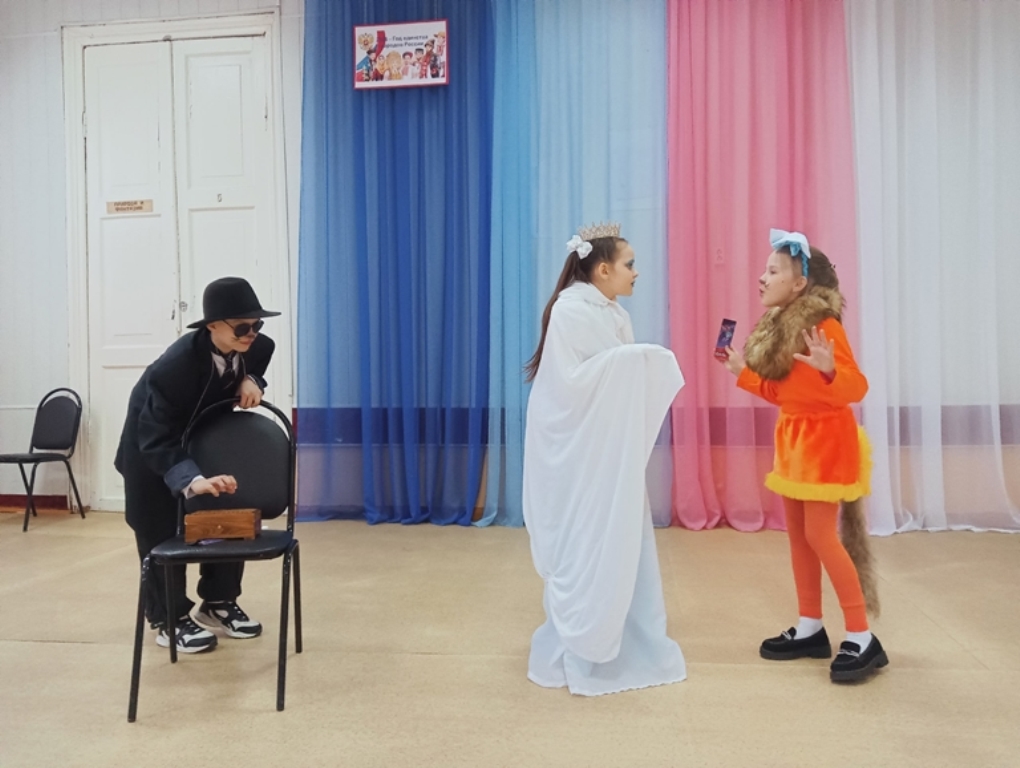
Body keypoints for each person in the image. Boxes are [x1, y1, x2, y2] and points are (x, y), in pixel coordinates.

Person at [522, 223, 687, 696]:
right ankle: (584, 641)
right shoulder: (572, 310)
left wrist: (632, 360)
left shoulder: (611, 312)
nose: (636, 272)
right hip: (579, 454)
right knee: (587, 538)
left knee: (620, 538)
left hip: (606, 453)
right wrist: (633, 359)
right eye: (629, 264)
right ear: (602, 270)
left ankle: (620, 632)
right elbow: (573, 385)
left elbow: (606, 379)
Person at [719, 229, 887, 683]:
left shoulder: (822, 326)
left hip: (826, 445)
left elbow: (857, 387)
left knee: (821, 536)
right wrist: (743, 373)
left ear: (799, 284)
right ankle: (811, 626)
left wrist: (831, 370)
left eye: (773, 271)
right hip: (794, 442)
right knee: (798, 536)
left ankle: (862, 636)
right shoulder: (781, 328)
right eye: (764, 269)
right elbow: (786, 395)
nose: (762, 277)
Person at [116, 277, 278, 653]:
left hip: (201, 440)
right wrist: (190, 479)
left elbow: (259, 355)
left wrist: (252, 378)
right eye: (242, 327)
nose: (252, 333)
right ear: (213, 326)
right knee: (156, 531)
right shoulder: (173, 368)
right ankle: (168, 618)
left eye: (256, 324)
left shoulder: (255, 345)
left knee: (225, 513)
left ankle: (218, 601)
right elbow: (155, 436)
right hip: (150, 446)